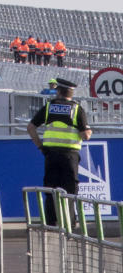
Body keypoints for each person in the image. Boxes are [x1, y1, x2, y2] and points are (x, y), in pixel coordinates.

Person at [27, 76, 91, 224]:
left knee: (51, 190)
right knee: (69, 192)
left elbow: (30, 128)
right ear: (71, 93)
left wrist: (41, 147)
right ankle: (68, 224)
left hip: (50, 155)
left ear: (58, 91)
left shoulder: (49, 107)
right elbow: (85, 135)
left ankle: (50, 224)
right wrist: (89, 131)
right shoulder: (76, 109)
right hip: (70, 156)